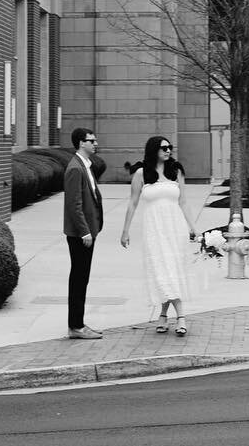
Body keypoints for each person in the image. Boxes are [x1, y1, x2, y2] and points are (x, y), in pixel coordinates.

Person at [120, 133, 197, 336]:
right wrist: (125, 230)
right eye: (164, 148)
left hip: (175, 227)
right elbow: (133, 203)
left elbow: (184, 202)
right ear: (154, 150)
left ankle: (173, 315)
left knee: (172, 269)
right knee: (161, 270)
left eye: (169, 147)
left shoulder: (176, 171)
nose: (168, 150)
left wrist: (192, 226)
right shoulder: (141, 174)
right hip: (154, 229)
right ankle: (176, 316)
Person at [63, 126, 104, 339]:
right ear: (81, 143)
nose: (95, 143)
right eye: (92, 140)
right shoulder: (75, 168)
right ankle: (76, 327)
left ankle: (78, 324)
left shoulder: (85, 165)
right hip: (81, 234)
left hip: (88, 231)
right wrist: (84, 231)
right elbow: (74, 204)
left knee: (81, 278)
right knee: (79, 279)